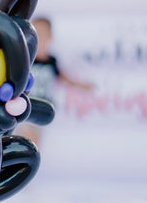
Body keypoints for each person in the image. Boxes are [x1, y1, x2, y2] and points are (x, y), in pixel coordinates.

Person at [19, 16, 93, 146]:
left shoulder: (52, 61)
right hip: (25, 107)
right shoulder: (26, 59)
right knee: (27, 139)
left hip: (42, 108)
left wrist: (81, 86)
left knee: (34, 144)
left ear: (50, 37)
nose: (39, 38)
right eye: (35, 34)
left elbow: (64, 78)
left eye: (42, 34)